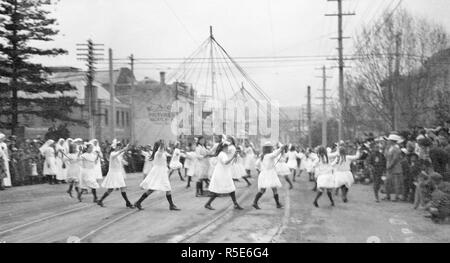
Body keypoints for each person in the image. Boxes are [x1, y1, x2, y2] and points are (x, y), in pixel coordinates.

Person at [134, 140, 180, 211]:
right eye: (163, 145)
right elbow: (161, 150)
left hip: (161, 173)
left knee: (153, 189)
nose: (164, 146)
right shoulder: (158, 153)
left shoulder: (160, 153)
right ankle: (171, 205)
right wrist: (161, 144)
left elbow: (164, 159)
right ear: (160, 147)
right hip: (159, 173)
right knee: (166, 188)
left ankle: (138, 202)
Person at [204, 141, 243, 210]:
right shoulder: (222, 154)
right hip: (222, 174)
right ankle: (208, 203)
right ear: (223, 148)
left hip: (223, 173)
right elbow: (225, 162)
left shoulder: (223, 154)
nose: (228, 148)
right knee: (222, 189)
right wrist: (233, 156)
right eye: (227, 147)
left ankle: (235, 204)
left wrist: (234, 157)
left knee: (230, 189)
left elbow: (228, 163)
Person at [97, 142, 134, 208]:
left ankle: (127, 202)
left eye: (120, 146)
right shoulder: (112, 154)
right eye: (118, 146)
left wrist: (127, 148)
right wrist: (123, 149)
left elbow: (121, 155)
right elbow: (118, 153)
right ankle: (100, 200)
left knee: (122, 187)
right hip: (113, 173)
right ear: (114, 147)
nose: (119, 147)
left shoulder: (118, 154)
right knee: (110, 189)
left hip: (118, 173)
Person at [252, 142, 287, 209]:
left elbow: (256, 164)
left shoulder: (262, 155)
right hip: (270, 174)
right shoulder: (269, 155)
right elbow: (276, 154)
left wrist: (261, 169)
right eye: (271, 147)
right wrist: (281, 148)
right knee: (274, 189)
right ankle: (277, 204)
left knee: (263, 190)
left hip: (263, 173)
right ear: (269, 148)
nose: (272, 148)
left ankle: (255, 202)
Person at [384, 134, 404, 202]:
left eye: (389, 140)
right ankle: (388, 195)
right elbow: (386, 156)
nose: (388, 141)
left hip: (395, 167)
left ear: (392, 141)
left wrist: (390, 166)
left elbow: (395, 159)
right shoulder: (390, 147)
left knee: (396, 183)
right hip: (389, 167)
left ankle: (396, 196)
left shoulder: (396, 148)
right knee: (387, 182)